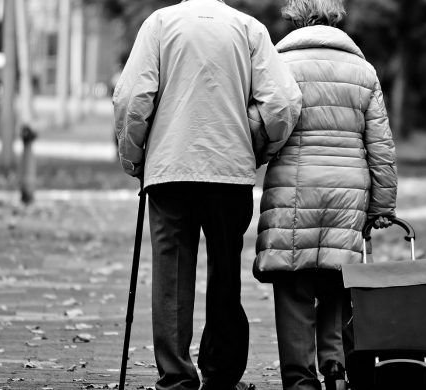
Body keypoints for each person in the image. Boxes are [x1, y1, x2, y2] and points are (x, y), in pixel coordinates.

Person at [112, 0, 302, 389]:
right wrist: (257, 147)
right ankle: (220, 373)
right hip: (229, 169)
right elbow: (283, 102)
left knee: (171, 274)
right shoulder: (248, 29)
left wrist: (134, 158)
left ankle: (176, 376)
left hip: (169, 169)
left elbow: (131, 99)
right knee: (225, 272)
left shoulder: (160, 24)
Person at [250, 0, 398, 389]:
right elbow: (381, 146)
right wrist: (382, 205)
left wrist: (254, 157)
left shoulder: (277, 65)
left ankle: (300, 380)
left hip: (292, 190)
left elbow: (262, 126)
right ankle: (335, 366)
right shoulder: (363, 71)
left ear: (294, 17)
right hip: (348, 191)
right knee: (337, 278)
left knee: (293, 284)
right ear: (336, 17)